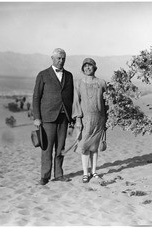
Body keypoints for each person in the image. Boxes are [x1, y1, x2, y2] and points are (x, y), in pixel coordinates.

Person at [32, 48, 74, 185]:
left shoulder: (69, 76)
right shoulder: (43, 75)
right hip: (47, 117)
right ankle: (45, 176)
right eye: (58, 58)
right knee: (47, 148)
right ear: (52, 58)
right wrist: (37, 117)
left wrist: (71, 117)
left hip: (64, 117)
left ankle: (59, 174)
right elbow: (36, 97)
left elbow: (70, 98)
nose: (61, 61)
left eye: (63, 58)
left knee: (61, 148)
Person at [72, 58, 107, 183]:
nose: (88, 68)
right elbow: (76, 102)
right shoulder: (78, 83)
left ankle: (93, 171)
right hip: (86, 120)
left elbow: (106, 102)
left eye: (90, 66)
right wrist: (78, 120)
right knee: (84, 146)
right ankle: (85, 173)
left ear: (94, 68)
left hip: (99, 119)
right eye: (85, 66)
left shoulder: (102, 83)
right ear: (82, 68)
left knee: (95, 146)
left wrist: (107, 119)